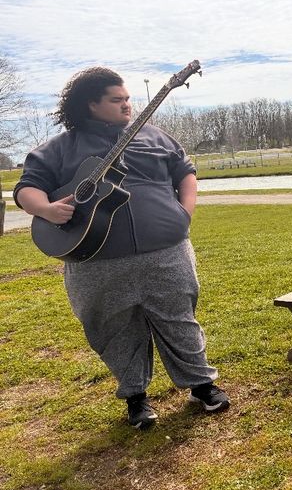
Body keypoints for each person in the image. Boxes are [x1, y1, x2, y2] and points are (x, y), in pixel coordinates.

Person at [14, 67, 229, 430]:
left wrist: (183, 212)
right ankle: (136, 398)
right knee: (114, 329)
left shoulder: (156, 136)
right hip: (95, 261)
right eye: (117, 100)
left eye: (128, 98)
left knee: (179, 319)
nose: (127, 105)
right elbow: (27, 188)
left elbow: (185, 173)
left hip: (166, 251)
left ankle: (202, 385)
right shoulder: (59, 148)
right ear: (91, 104)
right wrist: (46, 209)